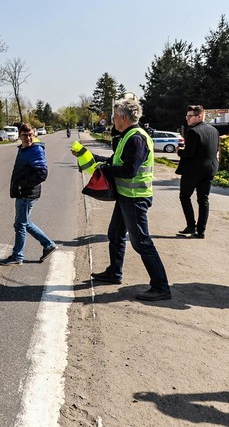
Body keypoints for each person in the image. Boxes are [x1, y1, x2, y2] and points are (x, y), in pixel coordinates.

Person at [86, 98, 172, 301]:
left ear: (123, 118)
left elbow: (129, 170)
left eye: (115, 116)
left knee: (141, 242)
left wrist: (104, 169)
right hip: (126, 197)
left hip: (135, 198)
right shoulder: (127, 136)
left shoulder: (136, 138)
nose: (113, 119)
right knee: (115, 234)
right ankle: (114, 273)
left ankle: (161, 286)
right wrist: (91, 157)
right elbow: (115, 161)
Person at [0, 123, 57, 265]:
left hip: (27, 193)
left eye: (30, 135)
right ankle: (48, 245)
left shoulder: (35, 150)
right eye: (25, 135)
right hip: (23, 192)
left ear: (34, 134)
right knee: (24, 222)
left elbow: (42, 174)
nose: (28, 138)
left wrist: (22, 184)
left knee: (20, 225)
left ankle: (17, 256)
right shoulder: (24, 149)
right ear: (20, 136)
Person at [176, 104, 219, 239]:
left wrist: (179, 151)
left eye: (190, 116)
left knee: (184, 196)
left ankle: (191, 225)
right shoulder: (214, 131)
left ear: (199, 116)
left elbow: (189, 153)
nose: (187, 119)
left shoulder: (194, 131)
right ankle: (201, 231)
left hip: (193, 171)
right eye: (187, 116)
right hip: (210, 170)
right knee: (203, 200)